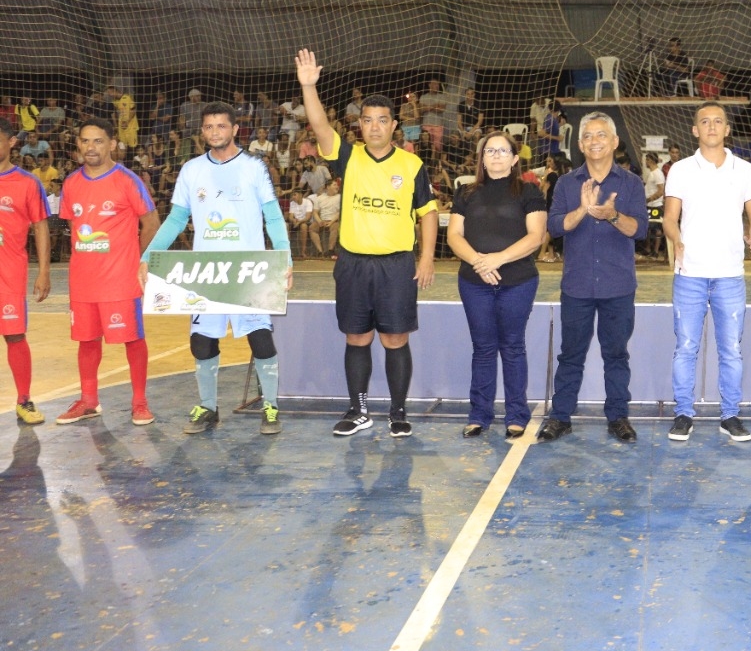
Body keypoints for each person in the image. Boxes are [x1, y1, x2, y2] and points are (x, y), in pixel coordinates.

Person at [295, 49, 438, 438]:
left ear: (395, 125)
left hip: (396, 265)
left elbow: (427, 213)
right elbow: (320, 125)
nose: (375, 127)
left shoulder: (412, 165)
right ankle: (358, 411)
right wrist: (309, 86)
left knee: (395, 338)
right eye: (368, 120)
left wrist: (426, 257)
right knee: (356, 337)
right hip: (354, 263)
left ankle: (398, 412)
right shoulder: (348, 156)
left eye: (382, 120)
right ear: (359, 125)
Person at [140, 103, 294, 435]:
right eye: (209, 127)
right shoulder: (191, 169)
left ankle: (270, 406)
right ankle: (209, 408)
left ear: (235, 129)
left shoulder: (254, 167)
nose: (215, 132)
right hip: (206, 273)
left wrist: (285, 257)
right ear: (202, 131)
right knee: (202, 342)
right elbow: (176, 219)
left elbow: (272, 216)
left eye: (221, 126)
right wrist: (147, 256)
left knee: (260, 340)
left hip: (248, 271)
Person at [537, 111, 647, 443]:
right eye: (587, 136)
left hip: (618, 285)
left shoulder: (631, 183)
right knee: (571, 355)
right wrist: (582, 210)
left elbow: (640, 230)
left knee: (616, 355)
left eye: (601, 135)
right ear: (581, 145)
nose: (594, 141)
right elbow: (555, 226)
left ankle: (618, 417)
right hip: (577, 285)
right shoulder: (567, 184)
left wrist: (612, 215)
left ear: (614, 142)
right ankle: (560, 417)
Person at [662, 103, 751, 442]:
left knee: (731, 350)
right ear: (695, 130)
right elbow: (669, 218)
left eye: (718, 121)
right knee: (685, 348)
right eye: (704, 121)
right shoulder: (680, 170)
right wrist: (676, 238)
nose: (711, 126)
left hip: (730, 276)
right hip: (690, 274)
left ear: (727, 129)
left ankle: (730, 415)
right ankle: (683, 414)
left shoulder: (745, 170)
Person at [57, 118, 159, 425]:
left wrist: (138, 260)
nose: (91, 147)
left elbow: (151, 223)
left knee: (132, 338)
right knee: (87, 340)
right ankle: (88, 400)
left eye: (98, 141)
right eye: (85, 141)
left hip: (120, 281)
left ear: (112, 144)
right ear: (78, 144)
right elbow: (76, 226)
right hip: (82, 281)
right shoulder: (71, 183)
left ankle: (140, 403)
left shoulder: (127, 180)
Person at [447, 131, 547, 439]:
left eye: (503, 151)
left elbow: (535, 237)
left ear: (515, 159)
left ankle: (517, 414)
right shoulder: (465, 192)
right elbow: (454, 236)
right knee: (483, 348)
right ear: (482, 158)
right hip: (474, 282)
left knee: (513, 346)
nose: (496, 155)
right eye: (490, 151)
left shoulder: (529, 191)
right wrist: (479, 262)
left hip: (517, 281)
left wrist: (498, 259)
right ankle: (479, 415)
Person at [0, 118, 51, 425]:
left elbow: (40, 226)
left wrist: (44, 271)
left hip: (9, 274)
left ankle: (24, 400)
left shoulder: (27, 183)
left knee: (15, 335)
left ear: (11, 142)